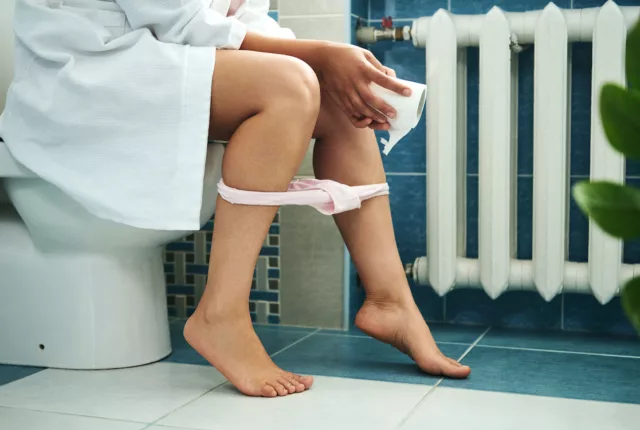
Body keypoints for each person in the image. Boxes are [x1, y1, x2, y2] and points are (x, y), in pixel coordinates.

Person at [2, 0, 470, 397]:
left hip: (152, 64)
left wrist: (333, 67)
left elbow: (248, 22)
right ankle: (220, 314)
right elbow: (181, 21)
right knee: (292, 84)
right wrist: (323, 54)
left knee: (340, 100)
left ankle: (390, 301)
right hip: (84, 75)